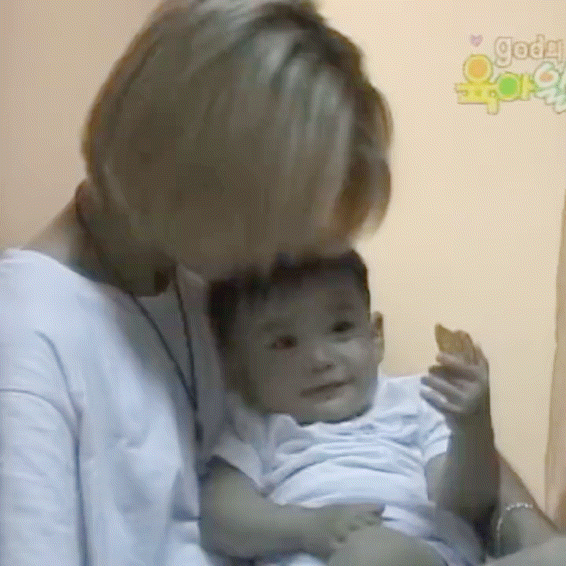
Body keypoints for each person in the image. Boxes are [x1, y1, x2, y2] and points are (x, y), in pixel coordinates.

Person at [0, 1, 393, 565]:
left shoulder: (201, 282)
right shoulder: (27, 341)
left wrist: (512, 513)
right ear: (189, 173)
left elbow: (368, 411)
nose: (284, 254)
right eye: (276, 217)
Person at [201, 250, 500, 566]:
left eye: (340, 328)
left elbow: (464, 506)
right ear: (238, 368)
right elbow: (219, 517)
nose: (320, 360)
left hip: (420, 553)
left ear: (375, 337)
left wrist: (472, 428)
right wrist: (306, 526)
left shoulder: (418, 399)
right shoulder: (256, 424)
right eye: (284, 343)